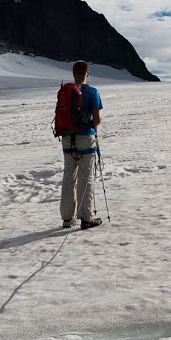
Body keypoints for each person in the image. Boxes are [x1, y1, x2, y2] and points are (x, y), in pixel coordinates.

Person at [60, 60, 103, 229]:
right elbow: (97, 119)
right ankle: (86, 217)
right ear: (87, 73)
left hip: (67, 138)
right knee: (86, 177)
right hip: (86, 138)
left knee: (69, 176)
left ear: (73, 73)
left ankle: (67, 218)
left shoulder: (66, 91)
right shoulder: (92, 92)